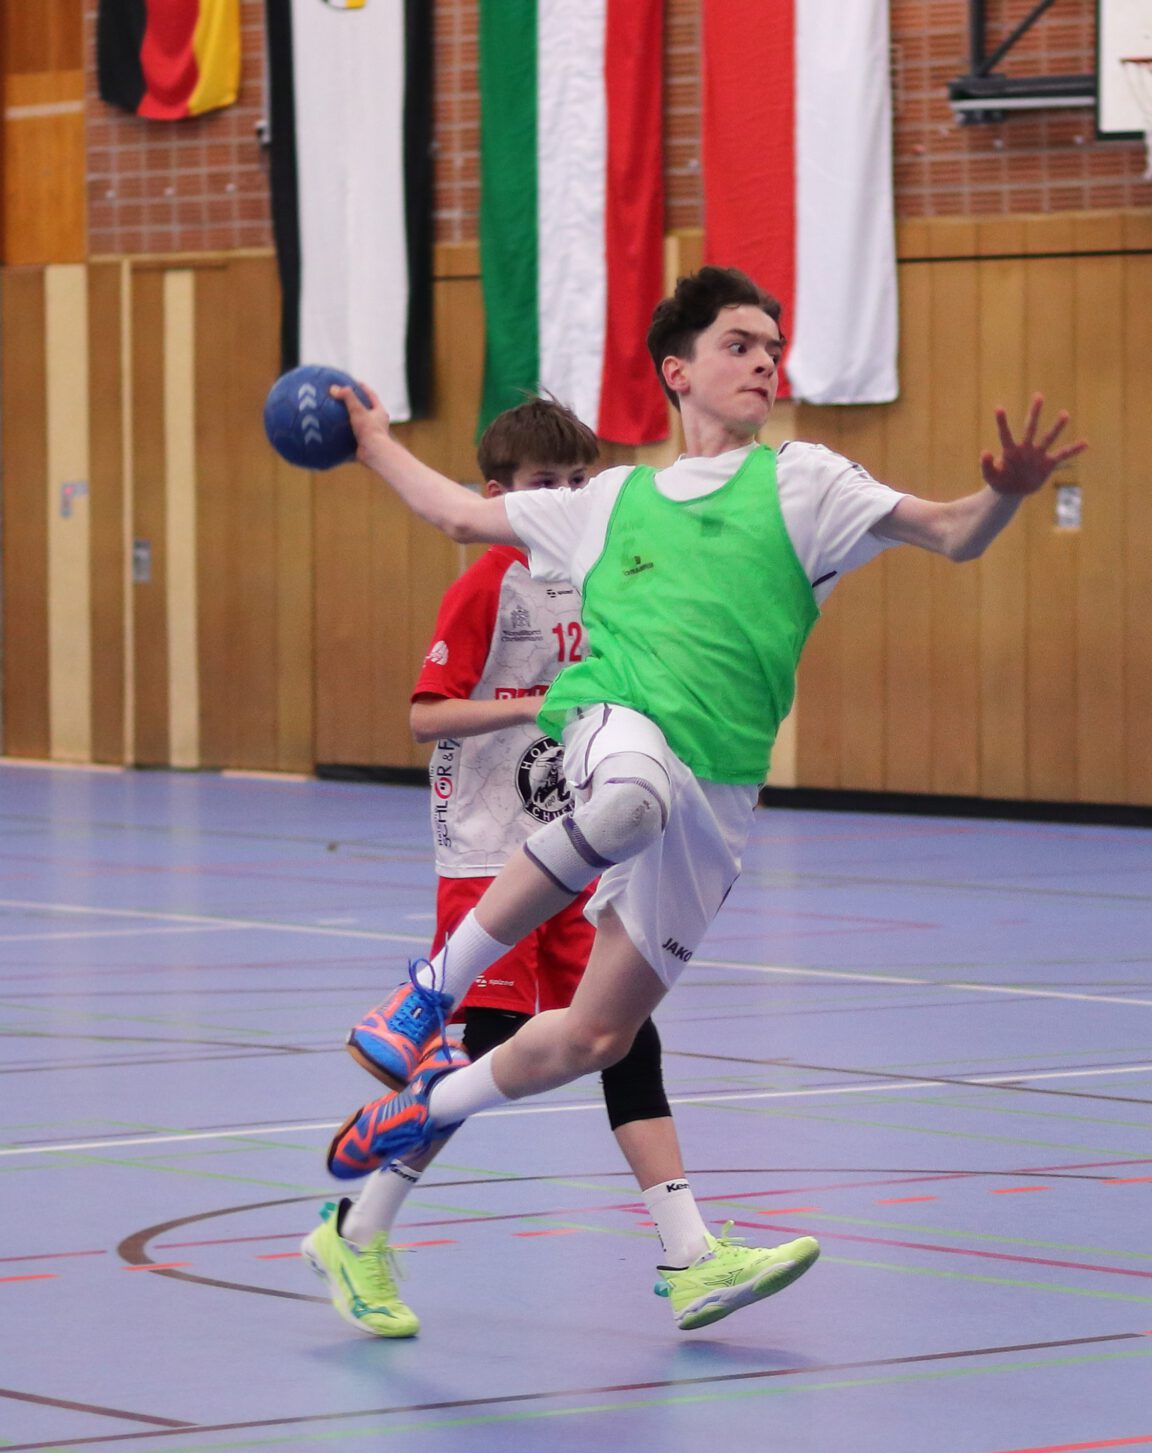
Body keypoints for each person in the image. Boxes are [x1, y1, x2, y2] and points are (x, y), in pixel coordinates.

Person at [324, 263, 1085, 1297]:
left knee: (600, 1036)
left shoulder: (809, 483)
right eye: (739, 344)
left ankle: (426, 1112)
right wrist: (373, 443)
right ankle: (427, 993)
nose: (764, 362)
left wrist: (1005, 494)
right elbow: (460, 515)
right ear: (677, 372)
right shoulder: (610, 500)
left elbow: (952, 533)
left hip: (719, 796)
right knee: (630, 798)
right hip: (615, 726)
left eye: (773, 348)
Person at [304, 394, 818, 1337]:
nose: (568, 496)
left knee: (622, 1036)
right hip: (489, 848)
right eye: (547, 483)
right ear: (499, 495)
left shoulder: (607, 572)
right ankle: (357, 1229)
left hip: (586, 839)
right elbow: (424, 715)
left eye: (581, 480)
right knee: (492, 1045)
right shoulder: (488, 585)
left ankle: (691, 1256)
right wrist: (536, 702)